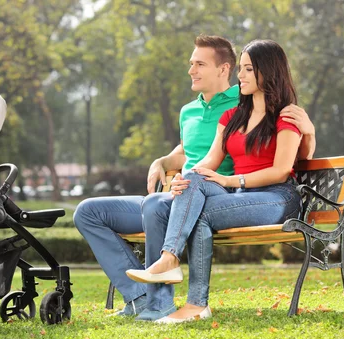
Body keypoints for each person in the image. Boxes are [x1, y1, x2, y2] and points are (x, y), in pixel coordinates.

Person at [74, 35, 315, 321]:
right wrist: (184, 179)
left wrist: (230, 181)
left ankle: (178, 277)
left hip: (277, 196)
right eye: (242, 69)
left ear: (270, 71)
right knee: (194, 190)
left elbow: (282, 169)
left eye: (248, 69)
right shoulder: (233, 117)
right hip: (238, 196)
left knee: (185, 207)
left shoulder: (286, 116)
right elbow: (204, 161)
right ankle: (182, 285)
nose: (241, 76)